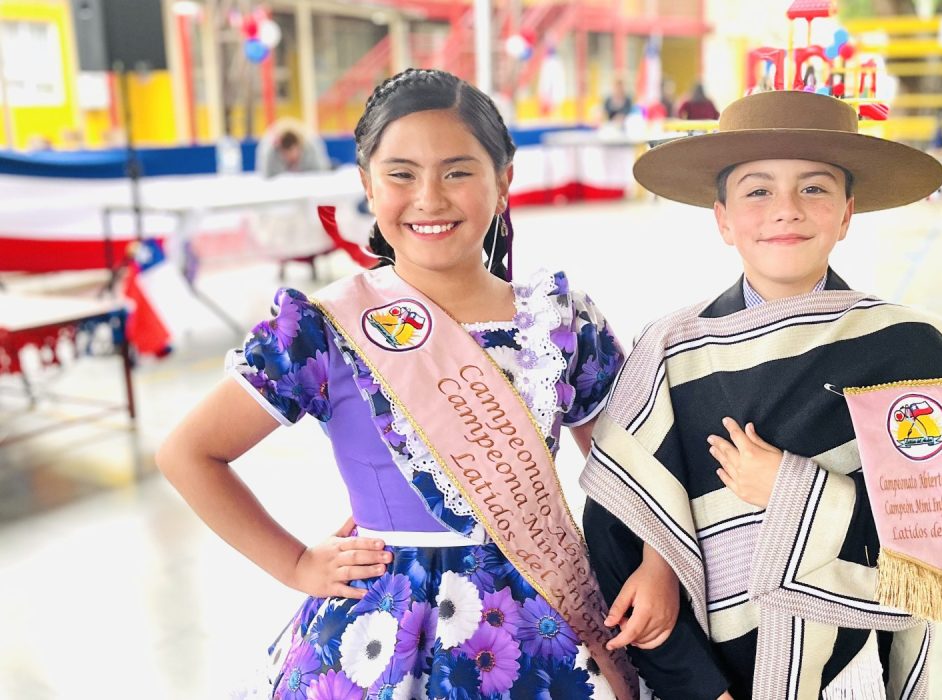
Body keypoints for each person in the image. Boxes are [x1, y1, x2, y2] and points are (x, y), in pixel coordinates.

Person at [157, 68, 662, 699]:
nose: (429, 197)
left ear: (503, 182)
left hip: (539, 625)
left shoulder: (560, 320)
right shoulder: (323, 327)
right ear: (367, 184)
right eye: (401, 174)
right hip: (382, 635)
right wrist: (294, 563)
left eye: (458, 171)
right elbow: (188, 453)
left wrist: (656, 566)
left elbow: (628, 469)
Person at [580, 90, 942, 699]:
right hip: (708, 673)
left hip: (848, 670)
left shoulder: (903, 350)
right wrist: (697, 681)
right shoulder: (672, 352)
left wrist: (793, 494)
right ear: (722, 218)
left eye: (814, 188)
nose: (786, 210)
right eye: (757, 190)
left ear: (847, 213)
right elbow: (618, 523)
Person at [257, 117, 331, 177]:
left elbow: (321, 174)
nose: (290, 158)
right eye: (286, 154)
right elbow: (267, 177)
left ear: (300, 146)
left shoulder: (311, 147)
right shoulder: (270, 152)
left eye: (292, 152)